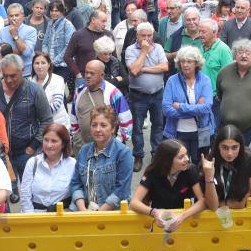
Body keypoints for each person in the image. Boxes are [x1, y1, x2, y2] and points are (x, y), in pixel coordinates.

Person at [0, 54, 53, 203]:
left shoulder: (34, 90)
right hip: (1, 153)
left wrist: (33, 146)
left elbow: (47, 120)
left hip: (26, 152)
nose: (9, 80)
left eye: (13, 76)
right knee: (3, 195)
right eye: (5, 76)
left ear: (22, 70)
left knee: (30, 193)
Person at [129, 138, 205, 230]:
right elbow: (134, 203)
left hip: (184, 221)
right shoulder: (152, 172)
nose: (187, 159)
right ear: (167, 160)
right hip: (159, 221)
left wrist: (182, 217)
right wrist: (154, 212)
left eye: (186, 154)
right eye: (181, 157)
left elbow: (203, 201)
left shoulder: (191, 170)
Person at [70, 105, 133, 211]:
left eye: (103, 125)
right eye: (94, 125)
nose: (98, 129)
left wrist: (98, 214)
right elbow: (76, 184)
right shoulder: (84, 150)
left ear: (113, 128)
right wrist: (83, 210)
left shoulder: (123, 153)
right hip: (83, 210)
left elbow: (122, 191)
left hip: (110, 213)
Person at [125, 21, 168, 172]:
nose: (147, 39)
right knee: (137, 127)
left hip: (157, 93)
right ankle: (138, 155)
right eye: (143, 35)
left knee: (158, 125)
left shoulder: (158, 48)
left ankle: (156, 154)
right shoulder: (130, 50)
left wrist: (144, 69)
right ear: (137, 36)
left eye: (149, 35)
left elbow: (165, 67)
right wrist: (143, 52)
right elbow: (134, 71)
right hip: (138, 95)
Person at [162, 46, 215, 162]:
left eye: (189, 61)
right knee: (179, 165)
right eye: (182, 61)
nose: (185, 65)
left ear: (196, 63)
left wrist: (181, 106)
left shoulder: (205, 80)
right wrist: (196, 109)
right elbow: (166, 109)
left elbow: (206, 108)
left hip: (202, 131)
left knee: (199, 164)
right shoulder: (172, 81)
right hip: (178, 132)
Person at [69, 59, 132, 148]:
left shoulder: (113, 93)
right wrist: (76, 138)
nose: (88, 76)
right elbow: (73, 117)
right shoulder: (79, 91)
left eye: (92, 73)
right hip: (82, 146)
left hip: (107, 148)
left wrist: (118, 141)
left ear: (102, 75)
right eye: (86, 73)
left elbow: (126, 119)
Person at [20, 123, 77, 213]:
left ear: (63, 144)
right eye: (46, 140)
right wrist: (31, 217)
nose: (49, 145)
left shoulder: (72, 164)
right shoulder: (32, 163)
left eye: (54, 141)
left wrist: (70, 212)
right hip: (35, 214)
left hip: (62, 215)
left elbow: (77, 190)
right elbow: (25, 194)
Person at [201, 125, 251, 211]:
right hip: (215, 214)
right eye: (225, 147)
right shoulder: (209, 163)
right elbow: (212, 206)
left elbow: (241, 204)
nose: (230, 153)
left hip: (241, 214)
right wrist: (209, 177)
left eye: (234, 147)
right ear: (218, 146)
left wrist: (221, 204)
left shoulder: (250, 161)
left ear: (240, 146)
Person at [63, 10, 113, 88]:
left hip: (104, 78)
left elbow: (114, 57)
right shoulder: (79, 35)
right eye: (103, 21)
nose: (105, 24)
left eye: (106, 21)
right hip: (84, 78)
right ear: (93, 20)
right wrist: (78, 74)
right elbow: (67, 56)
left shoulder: (108, 35)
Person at [30, 52, 70, 129]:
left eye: (43, 63)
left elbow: (56, 104)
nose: (40, 66)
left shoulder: (58, 80)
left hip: (57, 124)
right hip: (37, 126)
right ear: (33, 65)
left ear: (49, 65)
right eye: (37, 63)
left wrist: (36, 112)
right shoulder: (29, 82)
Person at [42, 0, 76, 82]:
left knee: (59, 87)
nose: (54, 13)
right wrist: (47, 58)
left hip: (62, 65)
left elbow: (68, 47)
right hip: (50, 64)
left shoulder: (67, 25)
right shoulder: (50, 23)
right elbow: (45, 43)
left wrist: (54, 61)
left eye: (56, 11)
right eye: (52, 11)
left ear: (61, 12)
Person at [199, 18, 233, 93]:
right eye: (199, 31)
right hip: (200, 94)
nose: (200, 35)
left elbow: (229, 76)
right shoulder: (200, 48)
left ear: (214, 32)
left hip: (215, 95)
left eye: (203, 32)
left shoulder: (223, 49)